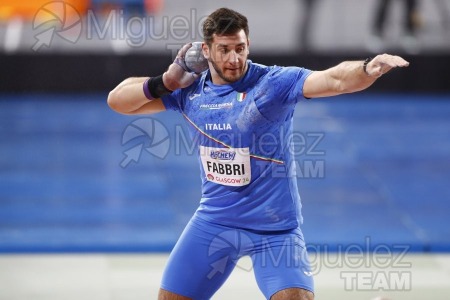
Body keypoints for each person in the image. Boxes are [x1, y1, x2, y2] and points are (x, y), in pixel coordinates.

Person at [108, 7, 409, 300]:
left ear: (248, 45)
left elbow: (334, 79)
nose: (234, 58)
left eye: (240, 48)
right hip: (214, 222)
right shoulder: (189, 91)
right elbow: (118, 102)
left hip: (275, 229)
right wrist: (165, 82)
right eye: (224, 49)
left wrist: (367, 68)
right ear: (206, 51)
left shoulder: (274, 83)